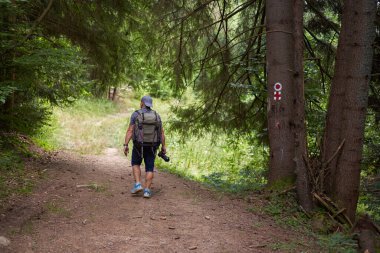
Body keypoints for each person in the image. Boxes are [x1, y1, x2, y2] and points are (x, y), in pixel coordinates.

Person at [123, 95, 166, 198]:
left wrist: (126, 144)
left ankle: (138, 184)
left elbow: (130, 130)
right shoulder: (156, 115)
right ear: (150, 104)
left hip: (138, 145)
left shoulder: (136, 114)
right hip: (152, 145)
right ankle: (147, 191)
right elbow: (161, 133)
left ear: (142, 103)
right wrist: (163, 146)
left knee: (135, 163)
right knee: (150, 167)